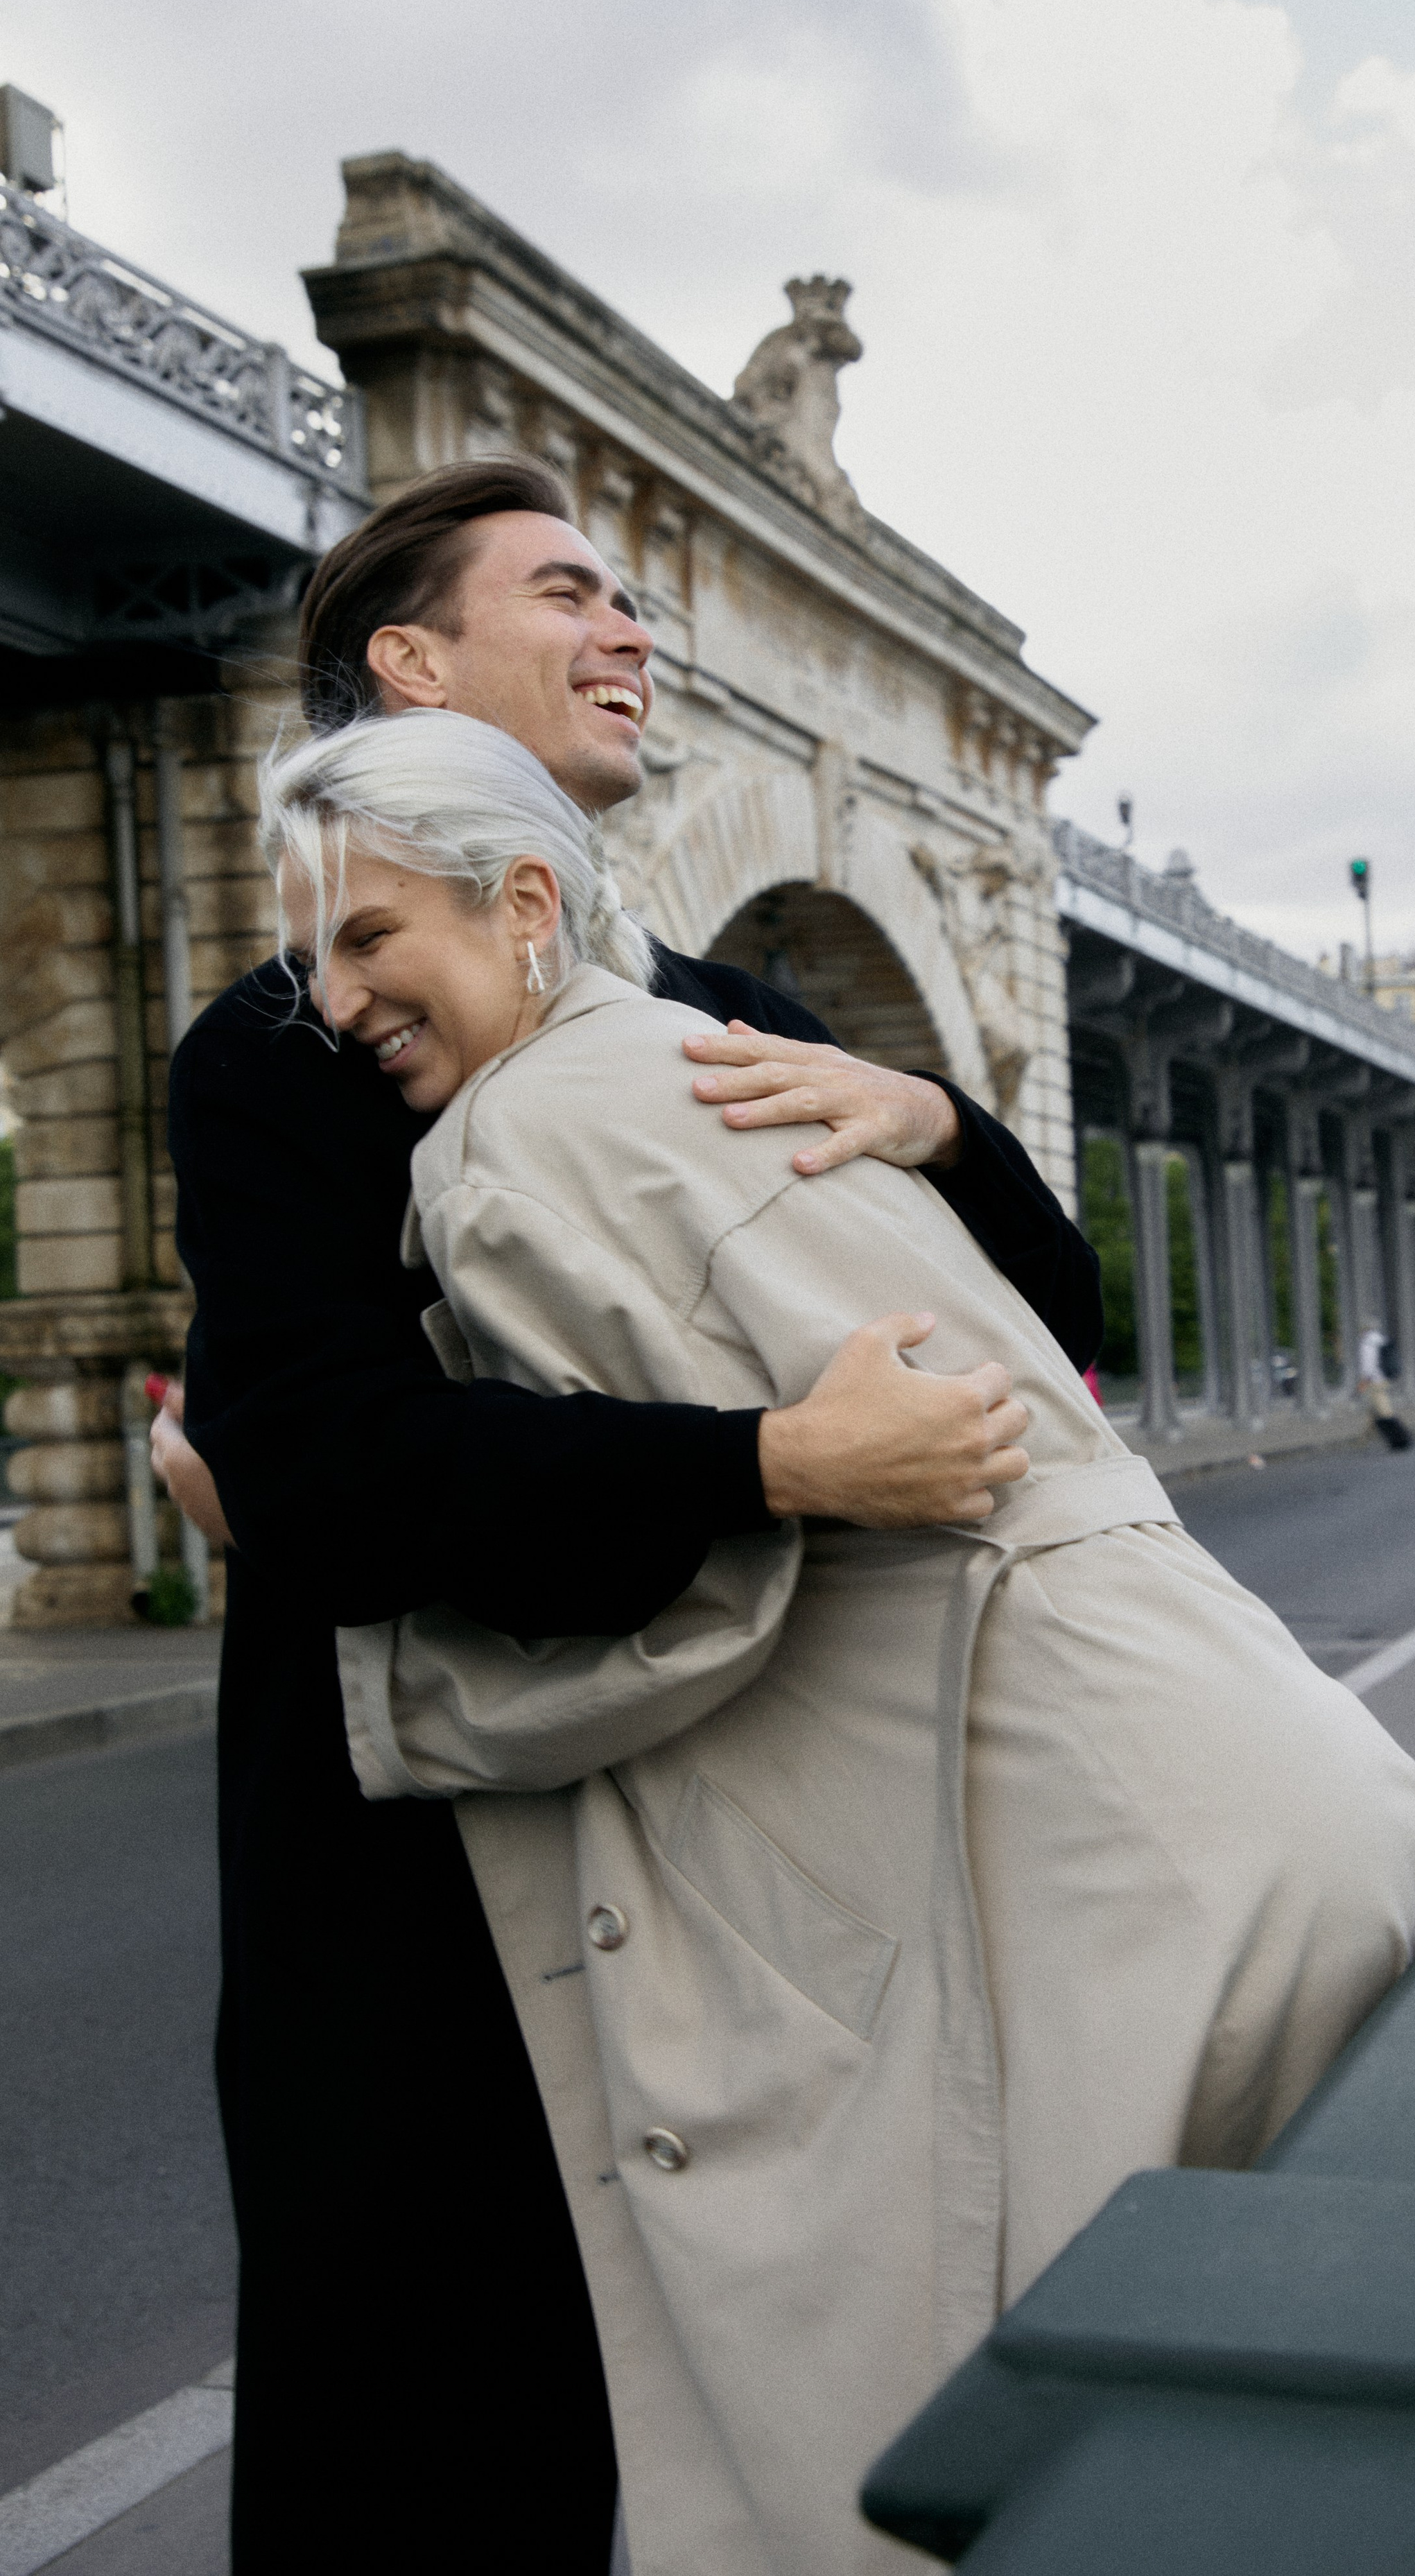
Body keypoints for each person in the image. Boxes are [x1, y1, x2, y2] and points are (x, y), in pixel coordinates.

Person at [263, 708, 1415, 2576]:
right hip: (1268, 1780)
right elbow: (1046, 1334)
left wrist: (402, 1677)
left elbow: (670, 1605)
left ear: (516, 905)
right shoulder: (725, 1058)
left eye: (362, 939)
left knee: (948, 2441)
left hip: (1099, 1849)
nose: (331, 1005)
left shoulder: (498, 1157)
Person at [159, 456, 1104, 2573]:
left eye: (634, 595)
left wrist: (936, 1117)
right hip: (412, 1917)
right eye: (568, 588)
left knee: (760, 2431)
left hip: (726, 1869)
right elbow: (325, 1477)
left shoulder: (741, 1020)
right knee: (442, 2442)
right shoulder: (290, 1048)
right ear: (411, 660)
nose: (628, 629)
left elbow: (1047, 1324)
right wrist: (771, 1466)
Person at [1357, 1318, 1412, 1451]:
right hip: (1384, 1378)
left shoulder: (1367, 1343)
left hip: (1374, 1381)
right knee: (1373, 1410)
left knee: (1384, 1412)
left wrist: (1364, 1382)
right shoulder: (1381, 1339)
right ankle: (1364, 1439)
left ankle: (1401, 1439)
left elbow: (1368, 1365)